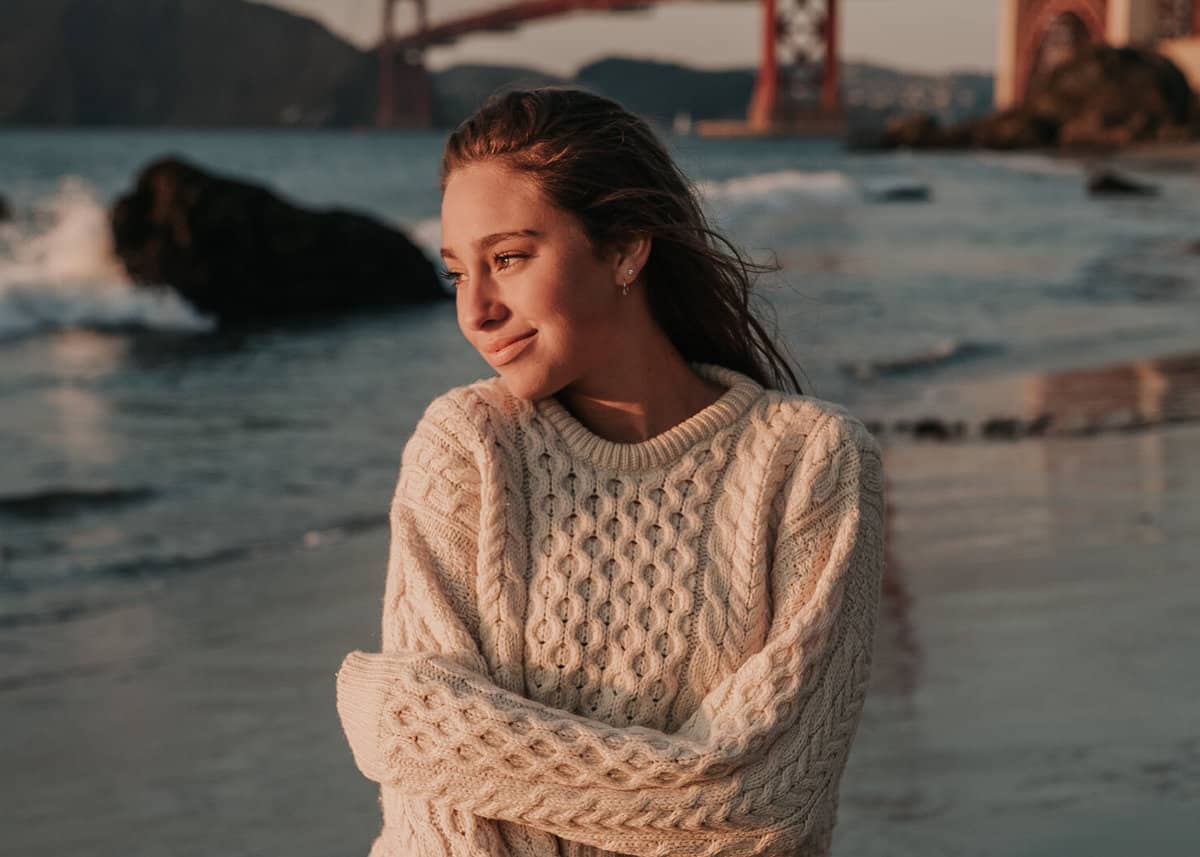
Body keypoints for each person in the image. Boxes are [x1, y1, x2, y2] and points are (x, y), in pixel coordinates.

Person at [335, 86, 886, 857]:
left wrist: (411, 720)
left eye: (509, 258)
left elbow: (760, 796)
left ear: (626, 247)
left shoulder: (809, 465)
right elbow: (437, 826)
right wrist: (424, 735)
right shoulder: (467, 447)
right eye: (457, 272)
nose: (477, 310)